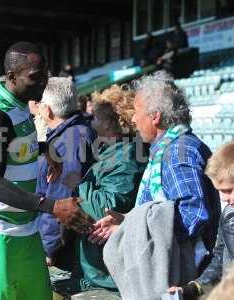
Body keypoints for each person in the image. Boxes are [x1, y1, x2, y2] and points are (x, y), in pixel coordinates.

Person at [0, 41, 94, 300]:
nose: (43, 82)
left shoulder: (20, 105)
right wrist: (53, 207)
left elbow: (15, 147)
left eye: (45, 74)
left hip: (26, 233)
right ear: (12, 77)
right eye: (35, 77)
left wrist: (45, 148)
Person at [91, 71, 221, 275]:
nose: (133, 119)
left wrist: (135, 233)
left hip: (183, 277)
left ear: (155, 117)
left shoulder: (178, 153)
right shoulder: (172, 148)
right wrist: (127, 221)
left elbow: (192, 215)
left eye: (137, 111)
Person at [74, 86, 146, 291]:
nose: (90, 120)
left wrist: (76, 184)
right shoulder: (110, 151)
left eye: (95, 116)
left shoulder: (126, 156)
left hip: (109, 274)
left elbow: (105, 209)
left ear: (108, 122)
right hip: (98, 267)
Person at [168, 140, 234, 299]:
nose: (223, 198)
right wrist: (191, 289)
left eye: (228, 190)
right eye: (219, 191)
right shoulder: (230, 216)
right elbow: (219, 262)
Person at [37, 77, 95, 266]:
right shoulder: (71, 134)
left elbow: (61, 201)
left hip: (65, 250)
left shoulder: (70, 141)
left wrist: (49, 248)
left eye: (40, 103)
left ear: (47, 109)